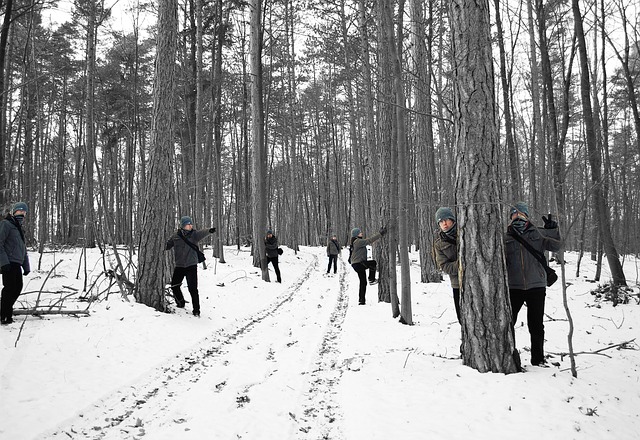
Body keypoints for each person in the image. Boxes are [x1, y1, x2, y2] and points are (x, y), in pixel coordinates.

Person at [505, 202, 561, 366]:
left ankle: (538, 359)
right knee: (509, 323)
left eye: (521, 213)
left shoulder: (538, 233)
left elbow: (556, 246)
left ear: (527, 215)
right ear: (511, 217)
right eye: (514, 214)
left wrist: (552, 230)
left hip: (536, 285)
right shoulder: (505, 236)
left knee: (536, 325)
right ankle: (511, 357)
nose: (517, 216)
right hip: (513, 286)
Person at [165, 216, 216, 317]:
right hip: (179, 265)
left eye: (191, 224)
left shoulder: (194, 235)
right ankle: (180, 302)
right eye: (189, 224)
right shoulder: (176, 236)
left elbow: (202, 232)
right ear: (183, 225)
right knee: (174, 285)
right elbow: (167, 245)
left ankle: (196, 310)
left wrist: (209, 230)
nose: (191, 226)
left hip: (191, 265)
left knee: (193, 289)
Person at [0, 202, 31, 325]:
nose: (22, 214)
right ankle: (5, 315)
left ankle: (5, 310)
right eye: (20, 211)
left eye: (24, 212)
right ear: (14, 212)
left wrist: (26, 266)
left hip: (16, 263)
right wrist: (3, 262)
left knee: (17, 287)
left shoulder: (19, 229)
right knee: (9, 288)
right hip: (8, 262)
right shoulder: (6, 224)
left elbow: (22, 249)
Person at [433, 207, 461, 323]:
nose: (444, 223)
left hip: (477, 280)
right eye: (441, 221)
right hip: (457, 284)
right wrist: (461, 265)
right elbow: (444, 266)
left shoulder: (466, 232)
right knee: (462, 318)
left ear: (453, 220)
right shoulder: (439, 245)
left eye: (446, 220)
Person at [349, 226, 387, 305]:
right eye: (360, 232)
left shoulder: (354, 242)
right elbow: (369, 240)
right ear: (356, 234)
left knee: (363, 282)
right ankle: (371, 279)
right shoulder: (357, 241)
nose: (361, 233)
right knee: (373, 263)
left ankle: (361, 300)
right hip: (358, 264)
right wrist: (380, 234)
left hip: (356, 264)